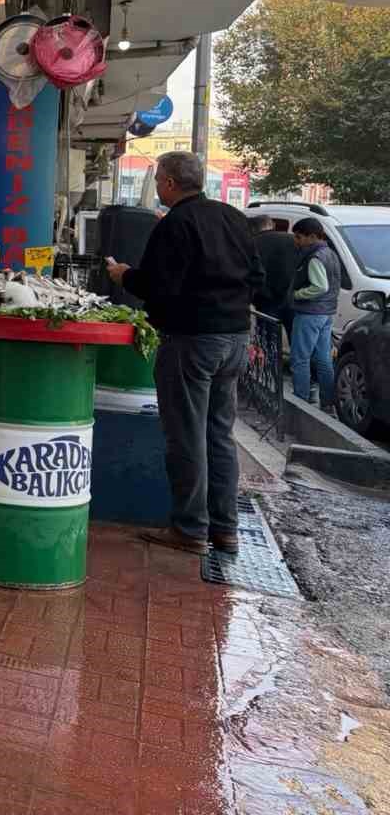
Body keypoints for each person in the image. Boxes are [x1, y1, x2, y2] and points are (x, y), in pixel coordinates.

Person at [106, 151, 264, 555]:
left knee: (186, 435)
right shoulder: (233, 218)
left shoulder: (176, 223)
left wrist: (125, 276)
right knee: (219, 434)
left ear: (172, 184)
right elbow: (258, 277)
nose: (158, 185)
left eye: (159, 179)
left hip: (192, 340)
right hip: (234, 339)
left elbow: (159, 286)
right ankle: (225, 529)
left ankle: (190, 529)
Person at [289, 217, 340, 410]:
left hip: (310, 312)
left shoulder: (314, 256)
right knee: (323, 359)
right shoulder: (330, 253)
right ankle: (328, 403)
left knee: (300, 359)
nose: (296, 241)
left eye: (299, 237)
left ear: (311, 236)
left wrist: (297, 294)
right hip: (326, 313)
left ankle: (300, 402)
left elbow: (320, 286)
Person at [251, 214, 299, 340]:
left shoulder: (251, 244)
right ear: (272, 225)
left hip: (265, 302)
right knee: (297, 342)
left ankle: (272, 360)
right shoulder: (293, 240)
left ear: (253, 229)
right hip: (293, 299)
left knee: (269, 344)